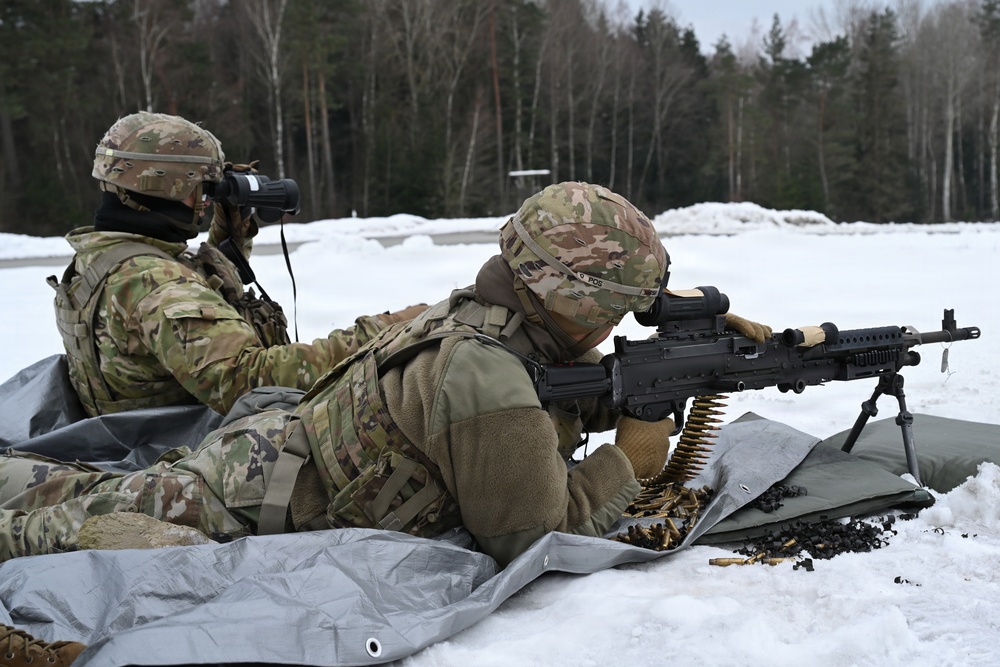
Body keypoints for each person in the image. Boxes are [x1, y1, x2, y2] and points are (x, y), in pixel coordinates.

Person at [2, 181, 770, 567]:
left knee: (68, 482)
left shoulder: (492, 307)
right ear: (567, 298)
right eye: (617, 310)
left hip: (273, 452)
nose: (616, 326)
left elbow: (549, 393)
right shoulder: (486, 375)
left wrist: (665, 366)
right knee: (53, 525)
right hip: (252, 496)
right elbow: (535, 532)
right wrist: (630, 458)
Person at [50, 110, 424, 418]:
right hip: (179, 455)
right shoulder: (157, 285)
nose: (206, 200)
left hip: (133, 433)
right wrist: (392, 329)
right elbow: (252, 379)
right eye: (202, 187)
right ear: (172, 185)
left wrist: (232, 233)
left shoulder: (102, 258)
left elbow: (189, 317)